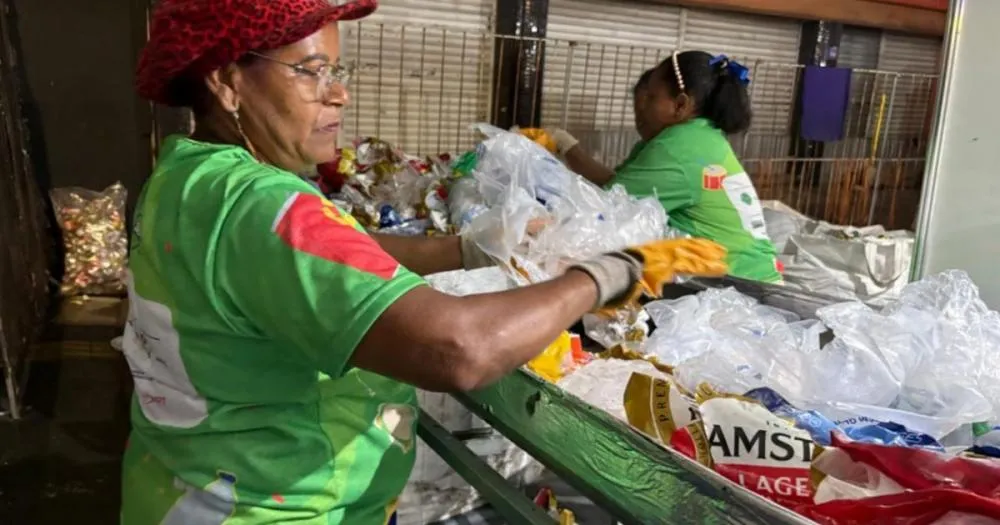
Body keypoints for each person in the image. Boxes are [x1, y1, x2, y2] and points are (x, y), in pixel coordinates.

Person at [121, 1, 657, 524]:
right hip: (275, 506)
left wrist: (469, 249)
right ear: (226, 81)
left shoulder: (187, 175)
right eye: (311, 73)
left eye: (337, 70)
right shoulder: (261, 203)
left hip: (184, 482)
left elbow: (324, 252)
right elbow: (458, 348)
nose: (339, 93)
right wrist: (603, 275)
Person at [549, 51, 782, 283]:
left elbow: (607, 207)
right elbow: (616, 186)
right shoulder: (699, 136)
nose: (641, 108)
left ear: (680, 104)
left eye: (651, 97)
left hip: (738, 285)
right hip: (750, 276)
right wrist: (566, 146)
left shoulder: (679, 147)